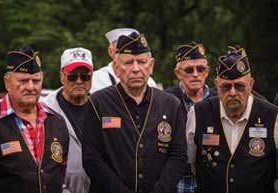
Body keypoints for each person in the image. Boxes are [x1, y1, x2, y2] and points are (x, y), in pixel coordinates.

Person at [82, 32, 187, 193]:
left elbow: (178, 156)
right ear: (116, 68)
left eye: (142, 62)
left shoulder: (171, 104)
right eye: (129, 62)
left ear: (151, 66)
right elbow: (92, 159)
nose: (136, 69)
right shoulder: (97, 103)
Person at [187, 45, 278, 193]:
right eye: (226, 87)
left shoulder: (272, 116)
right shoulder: (198, 113)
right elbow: (193, 162)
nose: (233, 93)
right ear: (216, 85)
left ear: (250, 84)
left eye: (240, 86)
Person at [0, 47, 69, 193]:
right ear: (7, 83)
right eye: (23, 81)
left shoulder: (57, 122)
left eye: (36, 81)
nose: (31, 87)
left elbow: (60, 174)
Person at [164, 41, 216, 193]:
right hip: (176, 182)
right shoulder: (165, 99)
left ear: (207, 72)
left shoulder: (219, 100)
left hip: (212, 180)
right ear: (178, 73)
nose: (195, 74)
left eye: (200, 69)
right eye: (189, 69)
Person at [42, 47, 92, 193]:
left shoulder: (102, 107)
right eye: (72, 76)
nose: (79, 81)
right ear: (62, 76)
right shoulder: (45, 110)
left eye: (85, 76)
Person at [90, 28, 157, 93]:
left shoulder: (149, 82)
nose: (129, 53)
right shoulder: (95, 79)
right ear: (110, 51)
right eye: (120, 48)